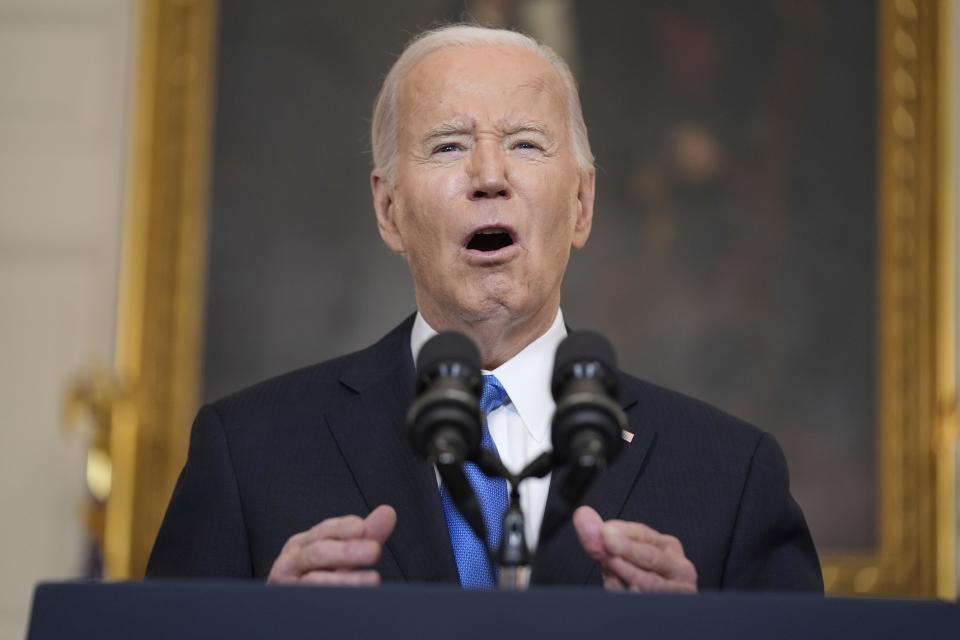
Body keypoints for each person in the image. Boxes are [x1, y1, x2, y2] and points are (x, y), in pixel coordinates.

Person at [147, 24, 823, 593]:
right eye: (448, 145)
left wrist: (706, 635)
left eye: (526, 143)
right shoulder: (249, 454)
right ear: (389, 211)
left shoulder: (730, 475)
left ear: (582, 205)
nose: (490, 176)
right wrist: (253, 629)